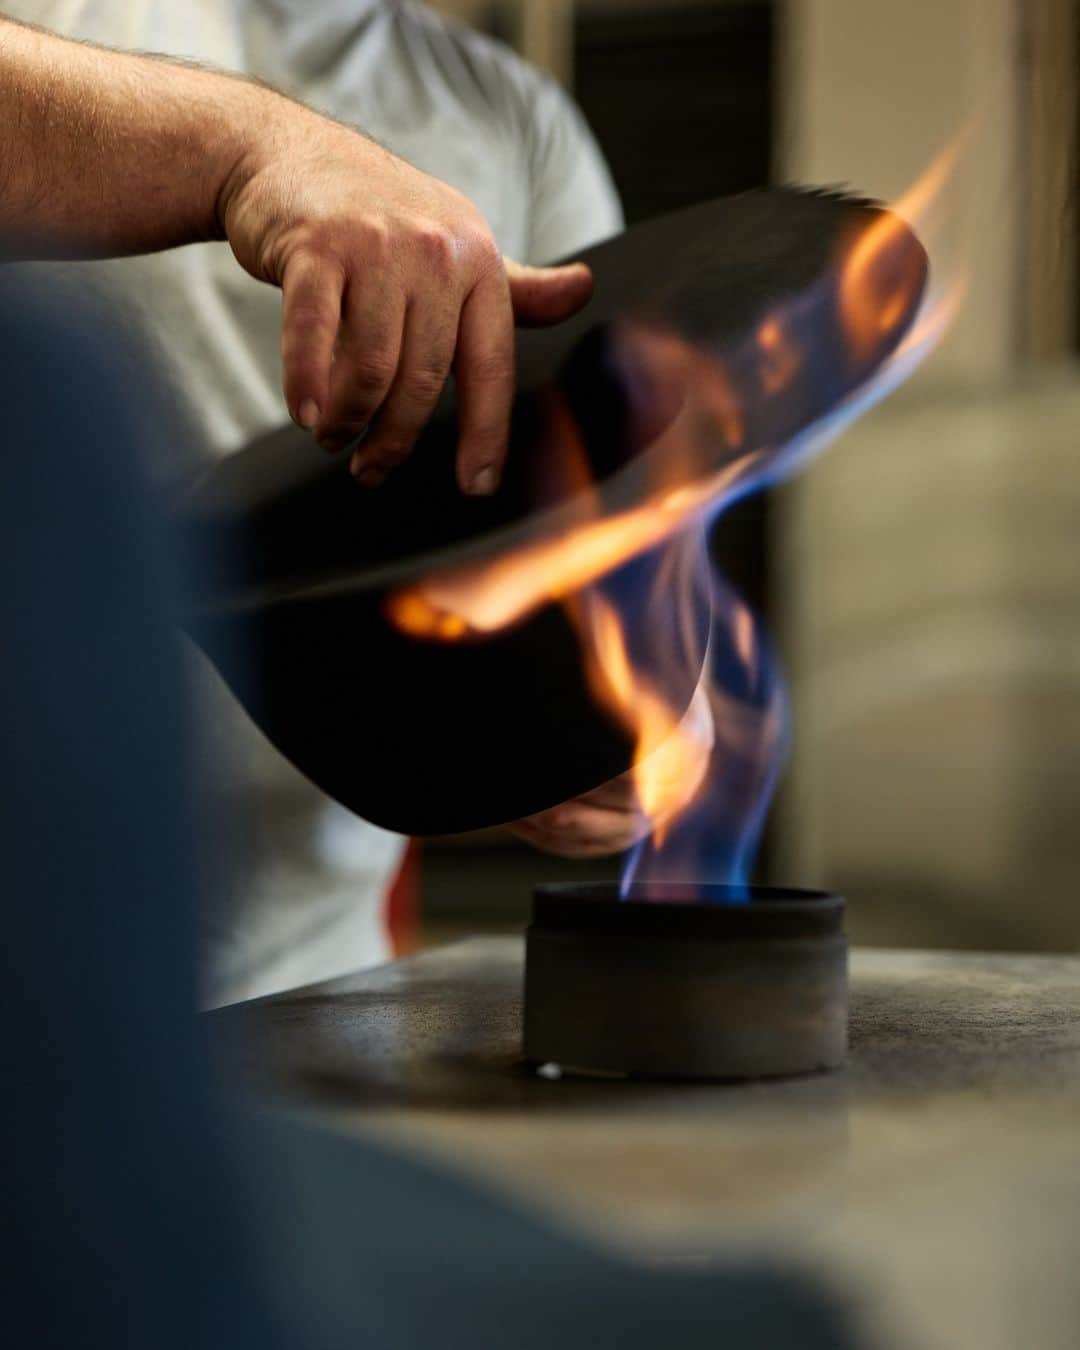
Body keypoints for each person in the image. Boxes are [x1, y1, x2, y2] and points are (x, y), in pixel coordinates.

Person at [0, 3, 650, 1003]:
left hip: (312, 1002)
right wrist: (251, 151)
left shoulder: (516, 120)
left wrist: (604, 706)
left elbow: (610, 524)